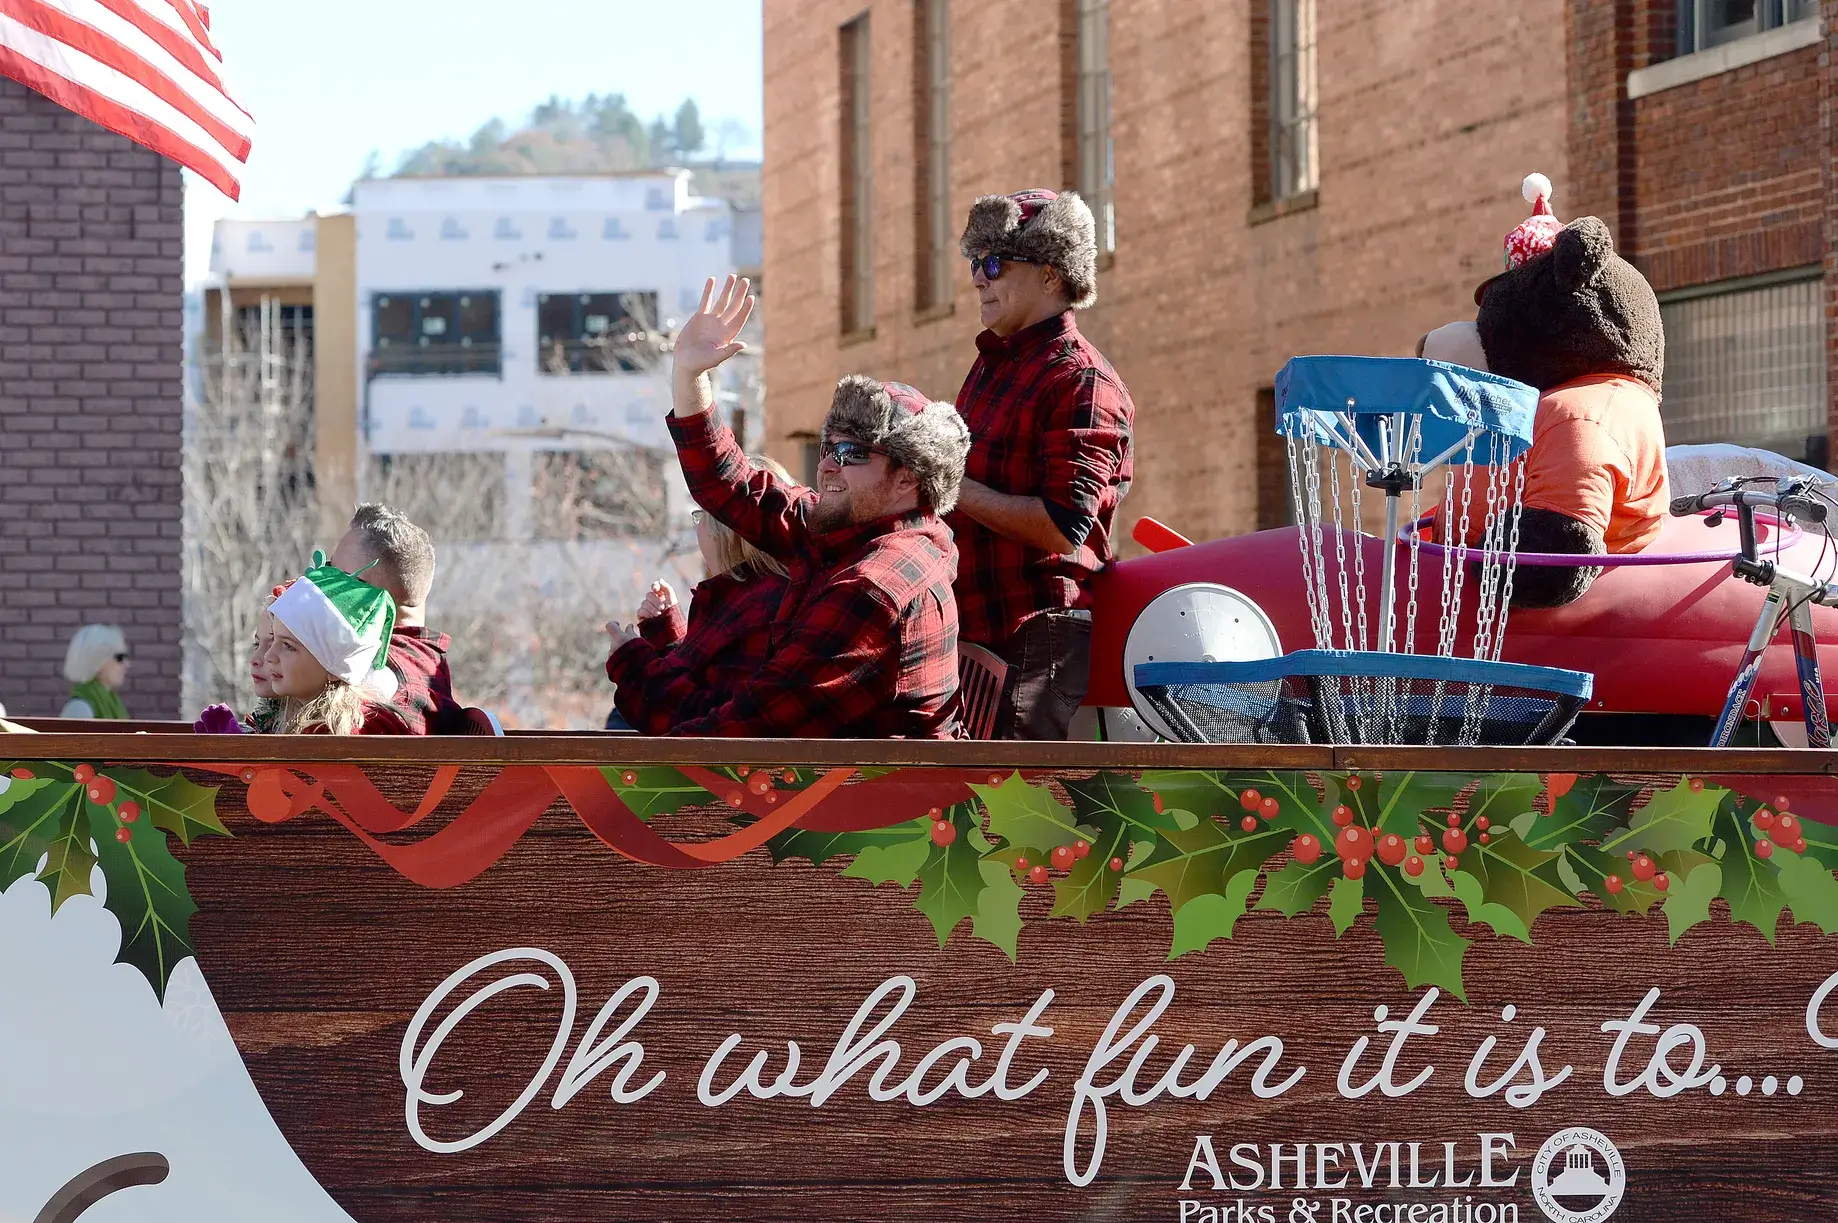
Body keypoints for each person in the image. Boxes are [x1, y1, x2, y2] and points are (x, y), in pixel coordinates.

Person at [612, 274, 967, 738]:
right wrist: (689, 375)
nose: (829, 466)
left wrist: (637, 689)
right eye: (827, 447)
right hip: (817, 790)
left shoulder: (874, 587)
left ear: (908, 478)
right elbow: (728, 485)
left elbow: (748, 732)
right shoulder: (852, 531)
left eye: (853, 453)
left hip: (855, 805)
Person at [953, 189, 1136, 739]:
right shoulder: (993, 366)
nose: (978, 279)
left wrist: (948, 487)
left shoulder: (1083, 379)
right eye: (974, 264)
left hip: (1037, 637)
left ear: (1053, 275)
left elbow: (1063, 527)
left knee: (1014, 810)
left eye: (994, 264)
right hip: (974, 631)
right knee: (966, 813)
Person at [604, 458, 793, 734]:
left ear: (725, 531)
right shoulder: (754, 595)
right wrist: (668, 637)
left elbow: (702, 724)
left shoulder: (759, 608)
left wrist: (633, 666)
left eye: (701, 516)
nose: (697, 529)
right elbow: (706, 680)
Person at [327, 503, 467, 734]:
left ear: (369, 596)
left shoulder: (373, 677)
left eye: (334, 576)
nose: (320, 586)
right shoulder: (427, 664)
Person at [262, 554, 410, 735]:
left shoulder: (333, 734)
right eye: (274, 639)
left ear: (335, 669)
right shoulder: (307, 720)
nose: (269, 656)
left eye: (288, 646)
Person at [61, 625, 131, 720]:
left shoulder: (113, 703)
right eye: (119, 658)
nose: (127, 664)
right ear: (97, 660)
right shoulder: (80, 708)